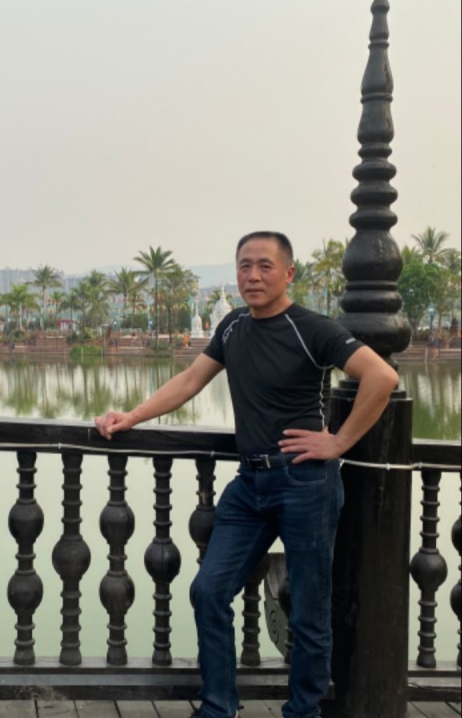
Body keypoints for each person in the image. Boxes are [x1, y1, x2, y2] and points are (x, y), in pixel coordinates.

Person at [95, 231, 398, 718]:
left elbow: (382, 376)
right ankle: (219, 707)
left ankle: (302, 711)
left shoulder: (312, 328)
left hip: (305, 483)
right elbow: (190, 381)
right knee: (209, 590)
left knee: (310, 608)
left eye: (264, 266)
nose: (252, 276)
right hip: (249, 485)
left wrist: (338, 442)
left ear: (288, 273)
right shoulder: (233, 325)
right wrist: (131, 416)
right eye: (244, 266)